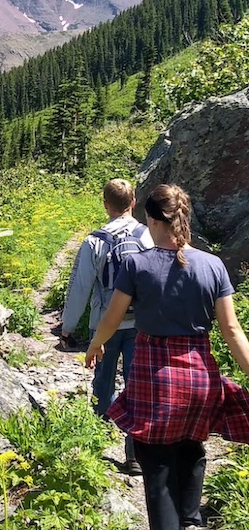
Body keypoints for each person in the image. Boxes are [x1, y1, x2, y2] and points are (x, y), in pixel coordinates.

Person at [86, 184, 249, 530]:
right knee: (192, 447)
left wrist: (96, 344)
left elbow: (112, 318)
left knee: (157, 464)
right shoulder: (213, 265)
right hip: (200, 377)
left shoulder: (136, 265)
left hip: (155, 377)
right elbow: (233, 331)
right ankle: (191, 520)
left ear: (151, 219)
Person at [59, 178, 153, 472]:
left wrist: (68, 326)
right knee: (137, 384)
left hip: (104, 325)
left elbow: (80, 286)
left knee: (103, 379)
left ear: (105, 204)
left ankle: (96, 441)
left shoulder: (94, 240)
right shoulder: (148, 236)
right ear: (134, 202)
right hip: (141, 324)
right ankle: (134, 453)